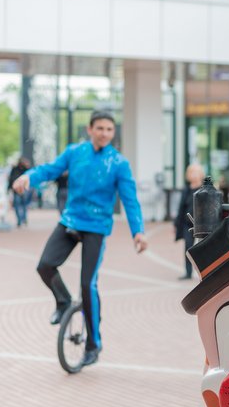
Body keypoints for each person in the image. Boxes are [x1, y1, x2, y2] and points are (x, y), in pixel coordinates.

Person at [12, 111, 147, 368]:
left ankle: (93, 344)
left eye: (109, 129)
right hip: (71, 220)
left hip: (96, 226)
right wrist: (29, 177)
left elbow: (130, 200)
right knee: (45, 265)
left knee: (88, 285)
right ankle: (63, 301)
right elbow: (50, 170)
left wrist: (138, 231)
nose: (105, 133)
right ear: (90, 129)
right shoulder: (75, 152)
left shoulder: (118, 163)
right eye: (100, 128)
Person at [174, 163, 205, 280]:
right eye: (191, 172)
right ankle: (188, 272)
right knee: (188, 247)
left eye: (196, 172)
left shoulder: (204, 189)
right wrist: (176, 224)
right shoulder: (186, 189)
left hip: (202, 224)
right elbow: (181, 207)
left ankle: (205, 272)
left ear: (200, 174)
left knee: (203, 248)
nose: (194, 175)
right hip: (188, 224)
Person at [7, 157, 33, 228]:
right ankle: (21, 220)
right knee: (20, 205)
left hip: (22, 189)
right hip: (17, 190)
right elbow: (11, 179)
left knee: (21, 205)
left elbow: (11, 179)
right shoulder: (16, 169)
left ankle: (22, 219)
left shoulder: (25, 169)